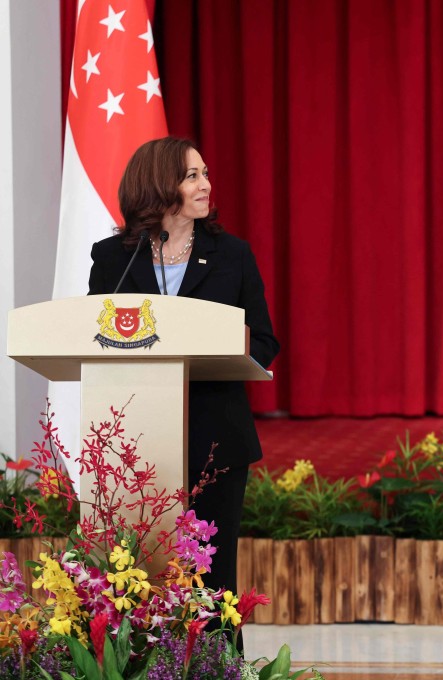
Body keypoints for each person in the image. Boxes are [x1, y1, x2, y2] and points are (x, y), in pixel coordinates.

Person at [88, 137, 280, 595]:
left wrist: (222, 348)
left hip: (215, 438)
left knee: (212, 582)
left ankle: (219, 667)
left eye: (205, 174)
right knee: (136, 576)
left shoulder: (232, 253)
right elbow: (91, 338)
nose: (205, 185)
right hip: (136, 441)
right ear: (158, 184)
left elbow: (266, 341)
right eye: (192, 176)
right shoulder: (114, 256)